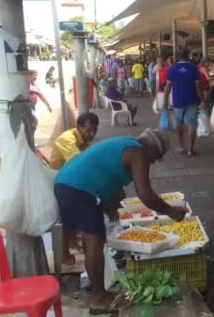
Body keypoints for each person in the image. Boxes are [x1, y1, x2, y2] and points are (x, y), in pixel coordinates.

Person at [54, 128, 186, 314]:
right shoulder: (138, 152)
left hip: (64, 181)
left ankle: (83, 274)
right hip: (79, 189)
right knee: (95, 241)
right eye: (157, 156)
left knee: (91, 238)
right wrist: (172, 212)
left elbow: (109, 174)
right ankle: (98, 300)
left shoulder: (125, 143)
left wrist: (111, 203)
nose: (154, 161)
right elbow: (145, 194)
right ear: (151, 147)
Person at [49, 112, 99, 266]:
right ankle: (64, 253)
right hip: (56, 181)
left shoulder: (83, 141)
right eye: (88, 130)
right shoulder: (68, 139)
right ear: (79, 127)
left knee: (74, 213)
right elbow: (80, 163)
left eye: (94, 130)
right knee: (65, 217)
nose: (91, 134)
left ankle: (73, 243)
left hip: (70, 181)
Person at [164, 49, 206, 156]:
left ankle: (180, 146)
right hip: (192, 100)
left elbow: (168, 87)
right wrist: (203, 100)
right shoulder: (193, 68)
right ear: (189, 56)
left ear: (178, 57)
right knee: (192, 124)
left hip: (177, 101)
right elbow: (198, 87)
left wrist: (165, 101)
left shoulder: (172, 69)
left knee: (178, 123)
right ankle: (190, 150)